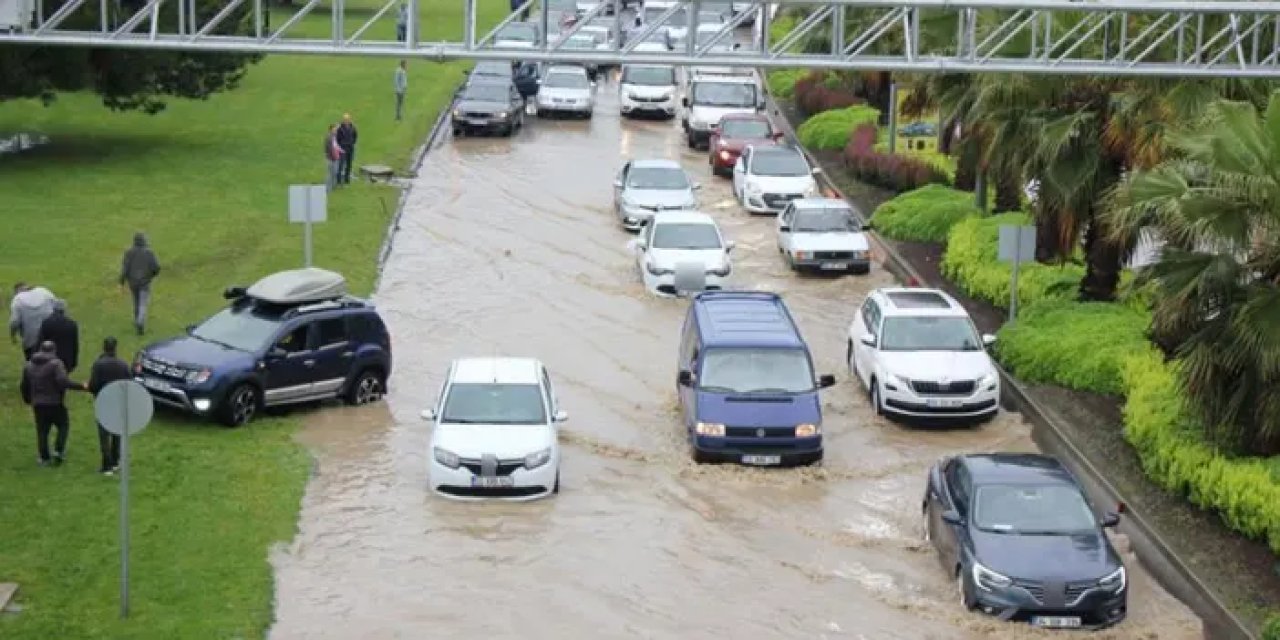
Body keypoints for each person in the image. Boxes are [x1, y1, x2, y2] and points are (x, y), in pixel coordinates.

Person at [20, 340, 88, 467]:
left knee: (42, 431)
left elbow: (24, 385)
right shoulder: (56, 364)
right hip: (54, 402)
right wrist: (81, 386)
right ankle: (58, 450)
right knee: (63, 425)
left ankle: (44, 457)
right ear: (54, 350)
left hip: (38, 404)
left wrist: (28, 399)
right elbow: (63, 382)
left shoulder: (29, 365)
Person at [88, 337, 131, 475]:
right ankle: (115, 461)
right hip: (117, 402)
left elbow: (93, 385)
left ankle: (106, 465)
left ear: (104, 347)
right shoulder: (123, 365)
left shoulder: (98, 365)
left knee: (104, 435)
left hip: (103, 401)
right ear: (115, 347)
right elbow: (129, 383)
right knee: (116, 433)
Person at [120, 232, 161, 335]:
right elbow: (156, 267)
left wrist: (121, 281)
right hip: (144, 282)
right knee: (143, 303)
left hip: (132, 282)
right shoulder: (149, 253)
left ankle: (136, 319)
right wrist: (151, 276)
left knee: (136, 301)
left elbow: (125, 268)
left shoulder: (129, 252)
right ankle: (140, 322)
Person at [9, 282, 56, 360]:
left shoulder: (17, 300)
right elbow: (57, 306)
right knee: (52, 360)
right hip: (50, 335)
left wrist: (13, 335)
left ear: (16, 292)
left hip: (30, 339)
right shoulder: (43, 291)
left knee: (33, 363)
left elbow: (14, 321)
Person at [37, 299, 79, 373]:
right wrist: (74, 361)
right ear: (64, 309)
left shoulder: (46, 323)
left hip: (49, 358)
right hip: (66, 360)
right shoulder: (71, 324)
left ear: (53, 309)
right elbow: (75, 344)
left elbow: (40, 341)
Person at [336, 114, 358, 185]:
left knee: (349, 164)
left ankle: (347, 179)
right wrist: (341, 145)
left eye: (348, 119)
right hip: (343, 148)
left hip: (350, 148)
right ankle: (339, 180)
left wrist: (352, 143)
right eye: (345, 119)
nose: (346, 121)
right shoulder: (340, 129)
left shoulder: (353, 127)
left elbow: (355, 136)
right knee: (341, 164)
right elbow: (337, 139)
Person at [324, 123, 343, 192]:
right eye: (334, 130)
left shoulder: (333, 137)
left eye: (336, 130)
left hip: (335, 158)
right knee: (330, 173)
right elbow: (330, 149)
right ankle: (328, 188)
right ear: (331, 130)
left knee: (334, 172)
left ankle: (332, 186)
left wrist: (341, 150)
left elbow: (336, 146)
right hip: (331, 158)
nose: (336, 131)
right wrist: (335, 156)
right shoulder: (329, 137)